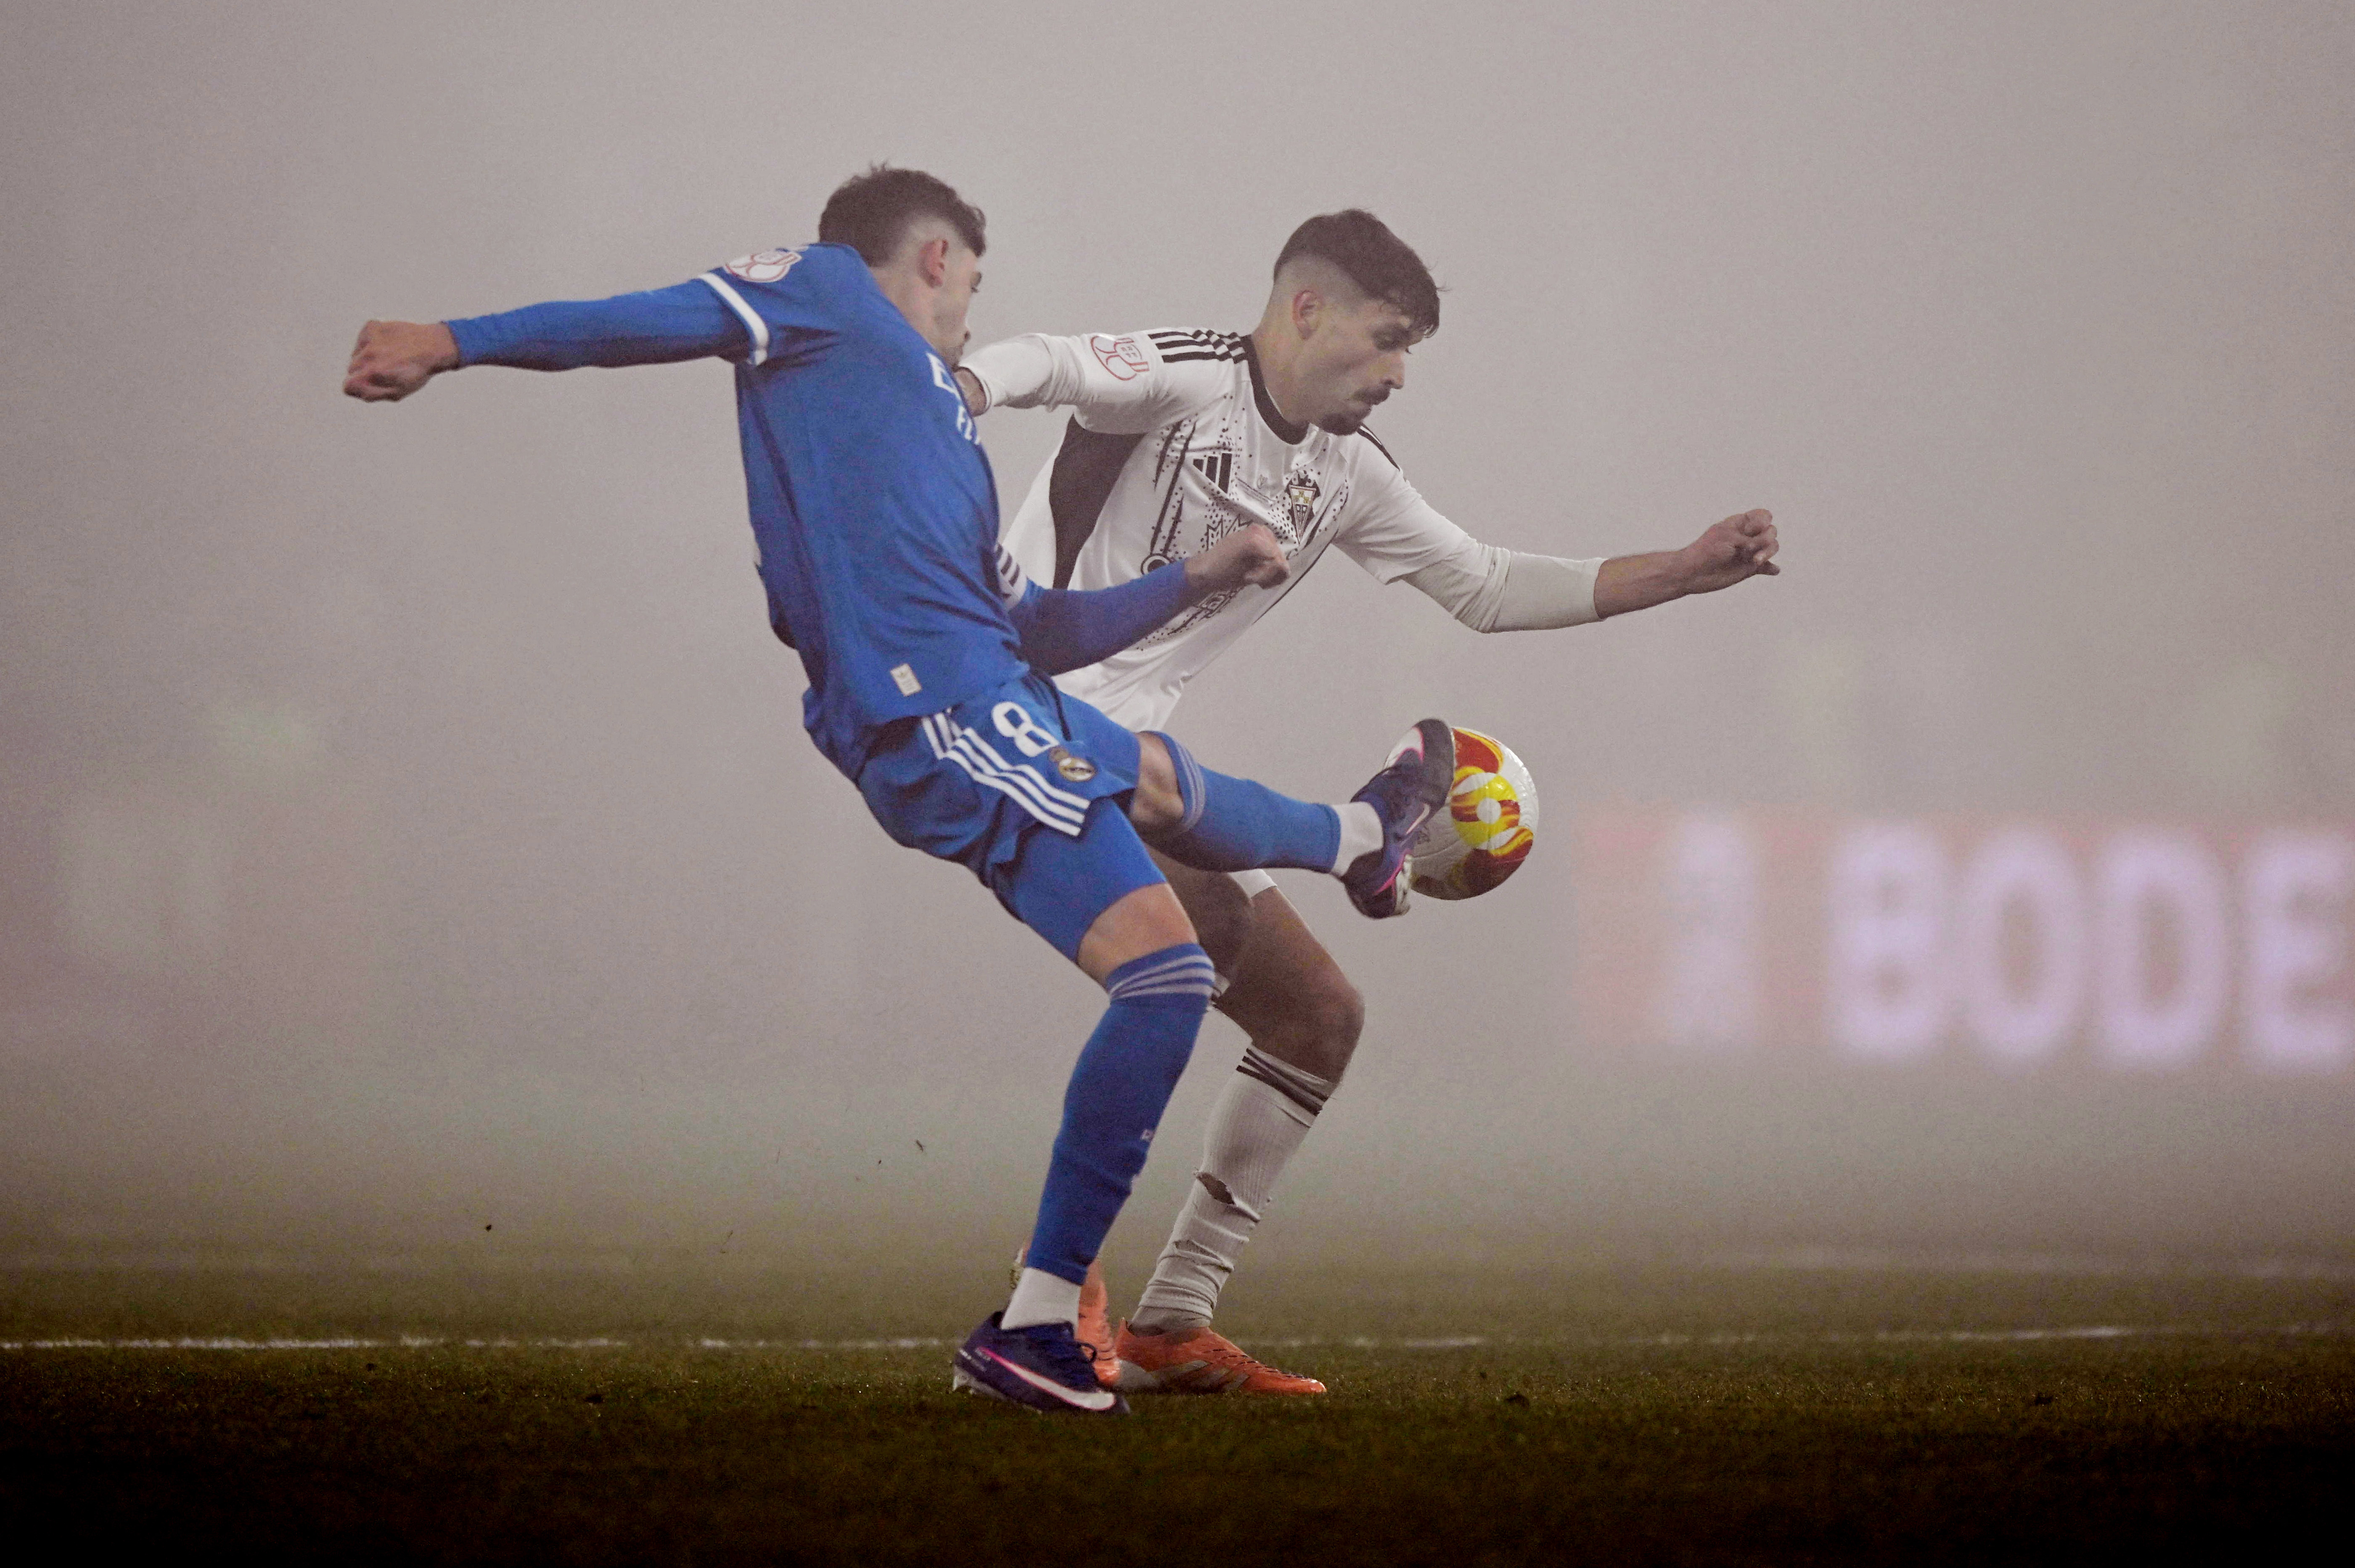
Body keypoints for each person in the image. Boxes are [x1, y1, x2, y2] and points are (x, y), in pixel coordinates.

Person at [343, 168, 1460, 1416]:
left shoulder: (943, 432)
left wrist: (1191, 577)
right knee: (1152, 866)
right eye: (973, 284)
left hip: (991, 692)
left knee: (1164, 930)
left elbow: (1035, 621)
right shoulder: (827, 299)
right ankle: (1359, 838)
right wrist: (451, 343)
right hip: (933, 709)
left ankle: (1040, 1324)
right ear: (934, 258)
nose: (974, 317)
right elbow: (652, 317)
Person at [956, 208, 1780, 1395]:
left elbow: (1488, 587)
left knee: (1316, 1021)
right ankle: (1053, 1293)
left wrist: (1686, 571)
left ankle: (1168, 1325)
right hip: (1033, 732)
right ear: (1306, 310)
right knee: (1173, 979)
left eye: (1410, 354)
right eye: (1386, 340)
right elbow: (1048, 359)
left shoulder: (1340, 472)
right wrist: (964, 387)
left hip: (1132, 765)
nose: (1397, 375)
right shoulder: (1186, 378)